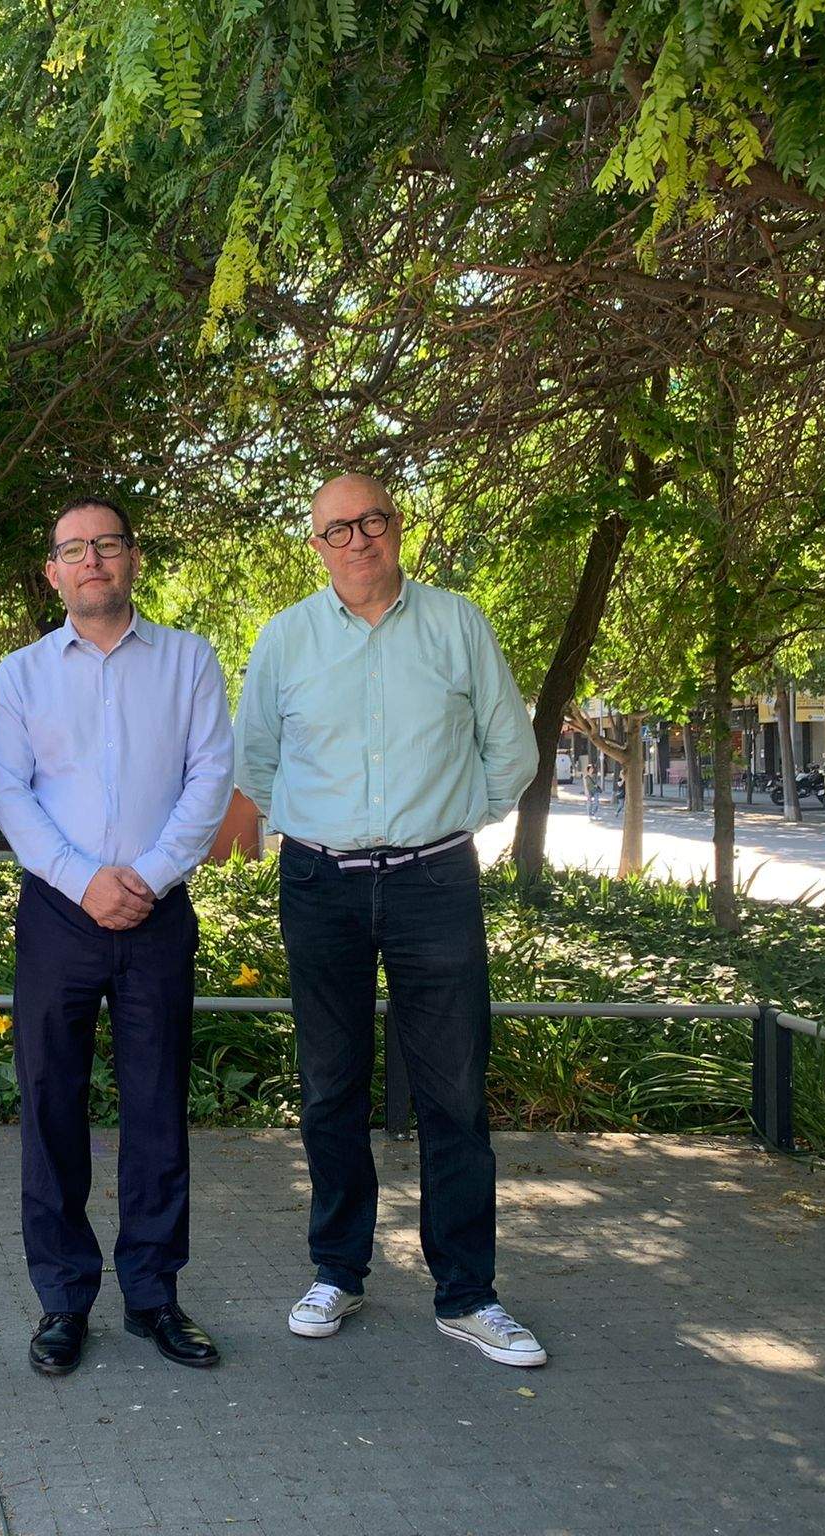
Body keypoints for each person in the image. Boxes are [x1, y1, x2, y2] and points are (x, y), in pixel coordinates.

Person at [236, 472, 547, 1369]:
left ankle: (468, 1293)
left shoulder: (458, 625)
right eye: (337, 529)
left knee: (454, 1090)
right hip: (319, 882)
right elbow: (256, 761)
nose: (357, 539)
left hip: (433, 881)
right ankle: (338, 1270)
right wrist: (317, 827)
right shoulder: (286, 639)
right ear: (317, 545)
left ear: (396, 527)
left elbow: (511, 750)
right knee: (329, 1085)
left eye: (371, 520)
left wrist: (450, 820)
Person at [0, 497, 234, 1377]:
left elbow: (211, 776)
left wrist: (149, 876)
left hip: (158, 911)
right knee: (50, 1103)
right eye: (74, 549)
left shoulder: (189, 660)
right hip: (59, 912)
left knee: (158, 1105)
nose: (92, 559)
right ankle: (63, 1299)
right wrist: (82, 878)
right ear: (52, 571)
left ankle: (155, 1296)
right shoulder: (20, 674)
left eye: (108, 544)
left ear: (133, 559)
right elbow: (9, 792)